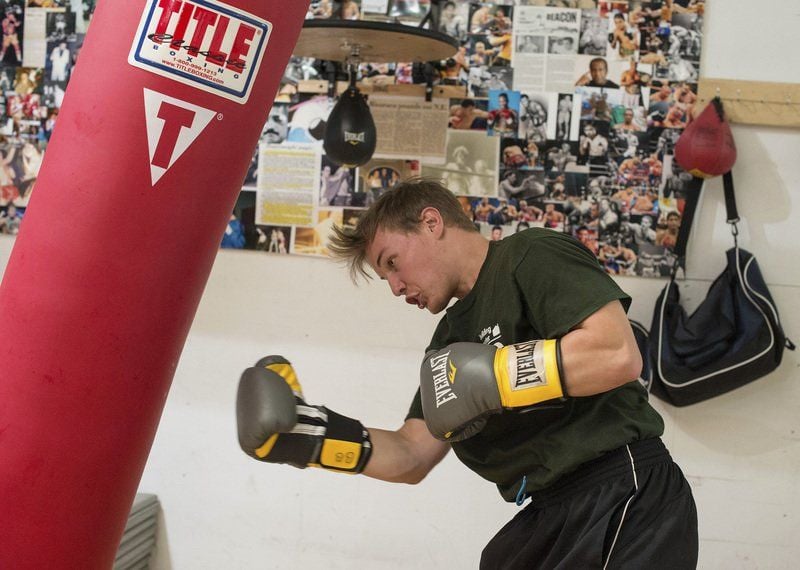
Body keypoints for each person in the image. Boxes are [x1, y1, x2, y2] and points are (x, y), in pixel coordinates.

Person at [236, 179, 698, 569]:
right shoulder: (448, 341)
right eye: (386, 279)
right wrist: (313, 439)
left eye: (393, 263)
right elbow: (412, 453)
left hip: (622, 488)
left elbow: (618, 353)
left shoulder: (528, 257)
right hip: (553, 509)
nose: (396, 288)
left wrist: (494, 378)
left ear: (431, 223)